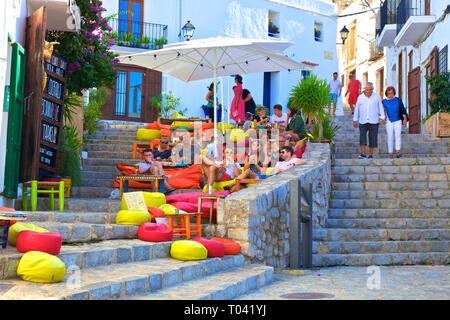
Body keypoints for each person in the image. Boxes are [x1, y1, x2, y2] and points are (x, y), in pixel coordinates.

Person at [353, 82, 386, 159]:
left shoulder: (377, 96)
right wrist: (355, 119)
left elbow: (381, 107)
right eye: (367, 89)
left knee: (373, 138)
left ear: (372, 89)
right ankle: (363, 154)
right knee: (362, 138)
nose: (368, 91)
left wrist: (382, 117)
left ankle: (370, 155)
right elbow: (357, 109)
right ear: (365, 89)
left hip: (374, 121)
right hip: (362, 120)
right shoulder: (360, 97)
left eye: (370, 90)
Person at [382, 86, 408, 158]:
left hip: (398, 120)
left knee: (398, 136)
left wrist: (405, 118)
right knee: (390, 136)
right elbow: (381, 111)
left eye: (392, 93)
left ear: (394, 93)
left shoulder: (398, 100)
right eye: (389, 93)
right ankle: (390, 153)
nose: (391, 95)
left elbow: (402, 109)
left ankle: (398, 151)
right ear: (386, 94)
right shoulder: (383, 101)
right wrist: (381, 119)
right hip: (389, 121)